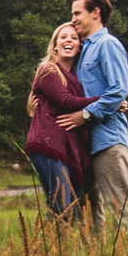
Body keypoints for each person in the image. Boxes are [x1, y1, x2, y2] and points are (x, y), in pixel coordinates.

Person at [70, 0, 128, 238]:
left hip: (108, 140)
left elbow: (119, 88)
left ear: (95, 13)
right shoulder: (83, 50)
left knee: (120, 210)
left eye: (77, 13)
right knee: (91, 213)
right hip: (85, 144)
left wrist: (86, 114)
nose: (73, 19)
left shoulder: (108, 45)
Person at [25, 24, 95, 220]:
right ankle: (46, 250)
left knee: (71, 210)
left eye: (74, 38)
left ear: (79, 46)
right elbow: (67, 102)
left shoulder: (78, 78)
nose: (68, 41)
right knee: (62, 208)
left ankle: (59, 250)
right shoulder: (48, 70)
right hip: (48, 145)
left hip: (68, 148)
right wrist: (110, 101)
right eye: (63, 37)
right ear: (54, 46)